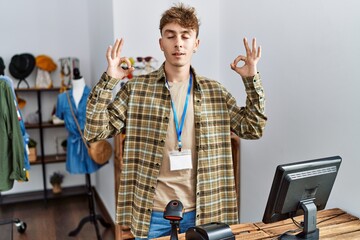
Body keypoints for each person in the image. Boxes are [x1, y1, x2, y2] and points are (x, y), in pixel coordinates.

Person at [84, 3, 267, 239]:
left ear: (196, 44)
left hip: (206, 211)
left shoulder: (215, 92)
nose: (178, 43)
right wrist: (109, 80)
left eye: (185, 36)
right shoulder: (136, 90)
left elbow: (253, 129)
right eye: (170, 36)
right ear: (161, 43)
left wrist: (252, 80)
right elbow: (94, 131)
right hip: (153, 214)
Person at [56, 68, 104, 174]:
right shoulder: (62, 98)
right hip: (74, 143)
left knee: (91, 166)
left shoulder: (95, 95)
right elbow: (59, 116)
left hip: (92, 144)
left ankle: (89, 188)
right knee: (77, 168)